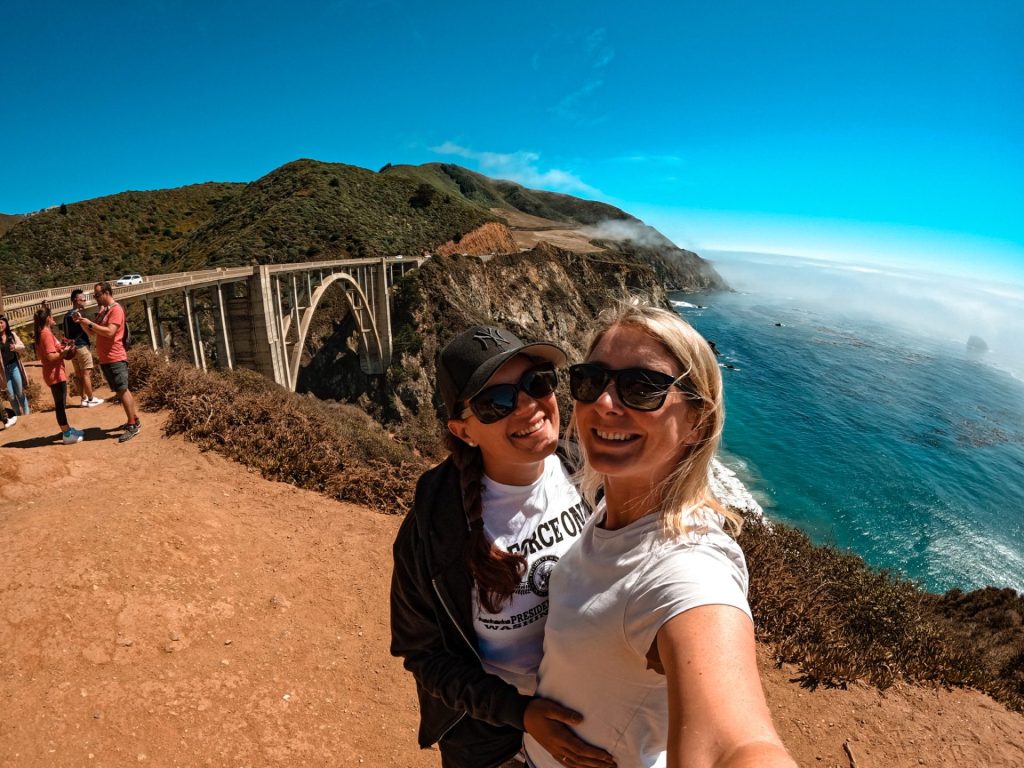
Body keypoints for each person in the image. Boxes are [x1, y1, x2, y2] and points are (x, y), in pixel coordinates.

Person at [524, 302, 795, 768]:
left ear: (698, 422)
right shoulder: (611, 511)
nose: (606, 404)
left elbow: (736, 745)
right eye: (591, 381)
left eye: (643, 388)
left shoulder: (688, 565)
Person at [390, 325, 615, 768]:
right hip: (493, 744)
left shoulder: (587, 471)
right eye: (496, 403)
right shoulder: (435, 527)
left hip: (594, 720)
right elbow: (424, 655)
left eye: (537, 382)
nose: (529, 406)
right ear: (463, 430)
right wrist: (522, 714)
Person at [74, 281, 140, 443]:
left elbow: (110, 332)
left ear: (106, 293)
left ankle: (133, 425)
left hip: (116, 357)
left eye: (97, 295)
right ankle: (134, 419)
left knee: (123, 390)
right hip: (106, 358)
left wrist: (90, 323)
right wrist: (83, 322)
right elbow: (93, 332)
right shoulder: (104, 311)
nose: (95, 298)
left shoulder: (116, 310)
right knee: (120, 390)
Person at [33, 305, 84, 445]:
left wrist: (62, 346)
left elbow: (49, 352)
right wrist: (64, 351)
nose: (54, 318)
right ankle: (67, 434)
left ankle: (67, 429)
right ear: (48, 318)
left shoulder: (43, 332)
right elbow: (50, 357)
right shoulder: (45, 333)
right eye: (52, 315)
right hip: (54, 374)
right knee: (60, 404)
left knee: (61, 403)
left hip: (54, 373)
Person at [63, 288, 104, 407]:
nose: (85, 301)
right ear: (76, 300)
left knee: (79, 375)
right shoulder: (77, 315)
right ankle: (91, 399)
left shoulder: (66, 315)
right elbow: (90, 332)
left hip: (72, 348)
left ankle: (83, 399)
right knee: (87, 373)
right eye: (83, 299)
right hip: (81, 347)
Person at [1, 313, 30, 421]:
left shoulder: (12, 335)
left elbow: (22, 347)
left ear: (6, 324)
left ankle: (27, 416)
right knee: (11, 396)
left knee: (20, 392)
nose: (0, 325)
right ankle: (18, 416)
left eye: (1, 322)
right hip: (4, 371)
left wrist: (15, 347)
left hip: (14, 367)